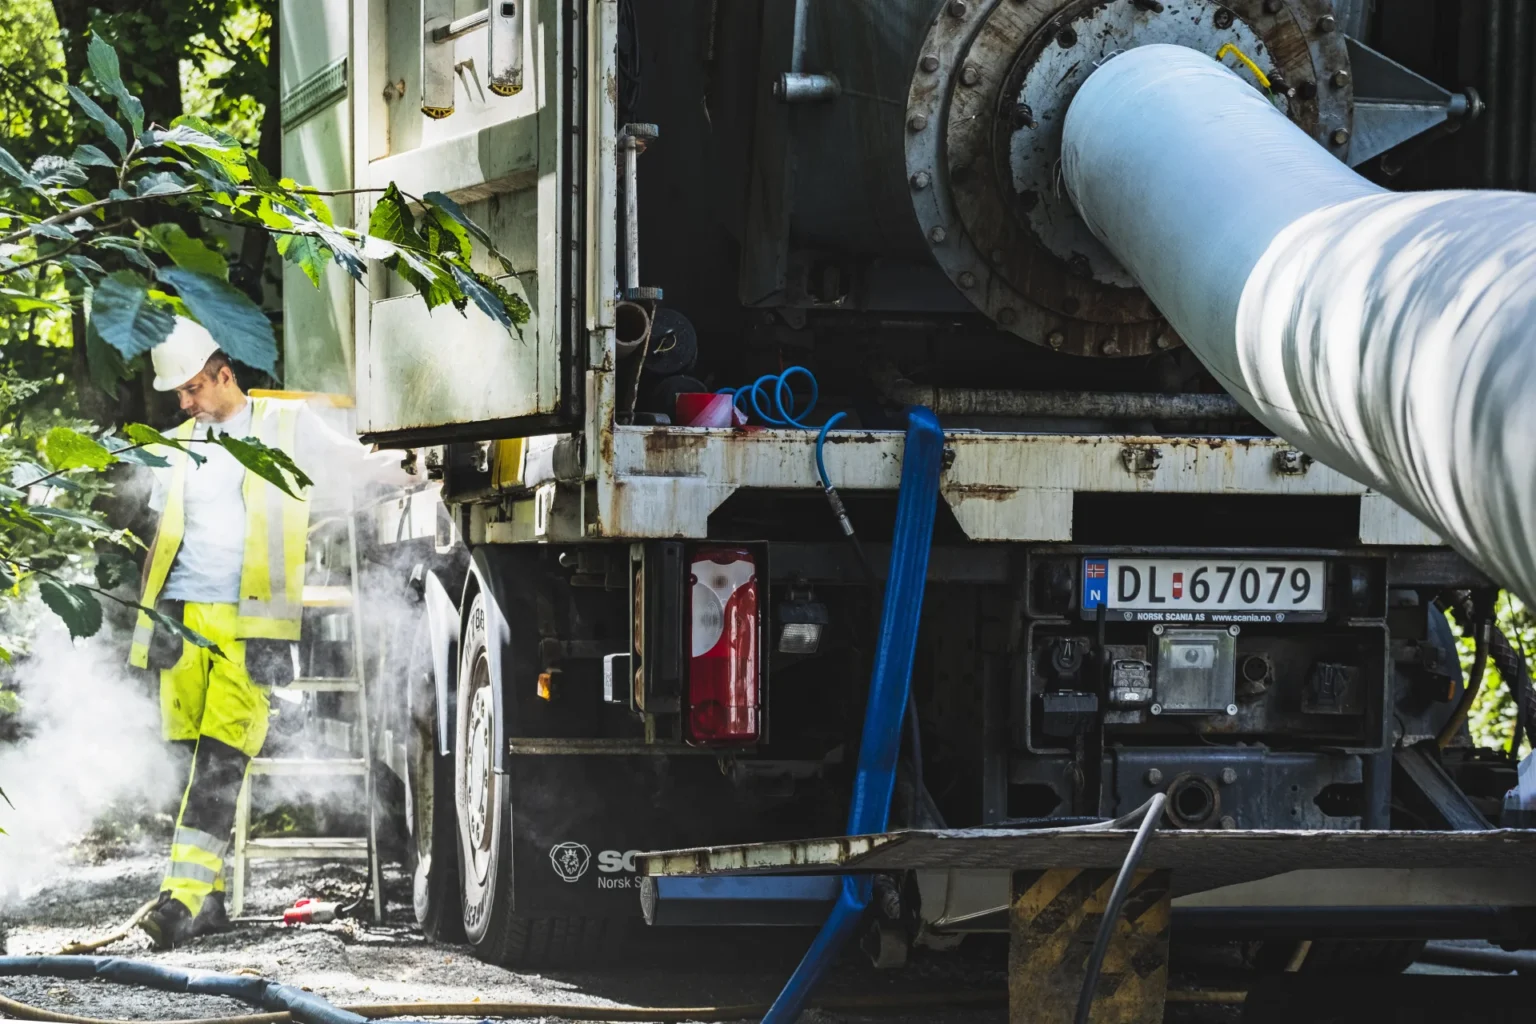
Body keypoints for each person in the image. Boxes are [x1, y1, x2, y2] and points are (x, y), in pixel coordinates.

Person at [129, 317, 408, 947]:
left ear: (225, 374)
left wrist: (419, 466)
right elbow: (159, 541)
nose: (185, 402)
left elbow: (354, 463)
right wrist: (148, 623)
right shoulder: (175, 446)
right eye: (179, 393)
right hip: (182, 621)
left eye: (193, 388)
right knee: (188, 762)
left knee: (221, 761)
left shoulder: (284, 426)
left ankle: (179, 901)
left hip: (248, 625)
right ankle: (209, 901)